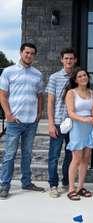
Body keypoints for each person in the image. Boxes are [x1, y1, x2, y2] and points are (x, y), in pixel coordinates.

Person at [0, 43, 45, 199]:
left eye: (32, 53)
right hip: (14, 121)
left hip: (31, 121)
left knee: (27, 154)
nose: (29, 55)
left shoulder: (37, 74)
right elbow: (3, 95)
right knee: (9, 155)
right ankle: (4, 185)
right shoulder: (8, 71)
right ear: (21, 53)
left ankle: (26, 182)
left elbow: (40, 95)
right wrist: (8, 114)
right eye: (27, 53)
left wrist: (39, 113)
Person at [46, 48, 76, 198]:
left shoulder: (78, 77)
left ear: (75, 60)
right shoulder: (54, 77)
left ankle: (66, 181)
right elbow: (50, 101)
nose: (69, 61)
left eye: (71, 58)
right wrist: (50, 124)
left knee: (71, 155)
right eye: (66, 58)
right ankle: (53, 185)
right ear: (61, 60)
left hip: (74, 123)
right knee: (54, 155)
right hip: (58, 122)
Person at [63, 68, 93, 201]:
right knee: (76, 158)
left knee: (86, 158)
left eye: (85, 75)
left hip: (89, 127)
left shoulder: (92, 93)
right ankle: (71, 189)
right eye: (80, 76)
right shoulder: (71, 93)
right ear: (75, 79)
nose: (83, 78)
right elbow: (70, 113)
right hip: (77, 126)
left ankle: (81, 187)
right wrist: (84, 119)